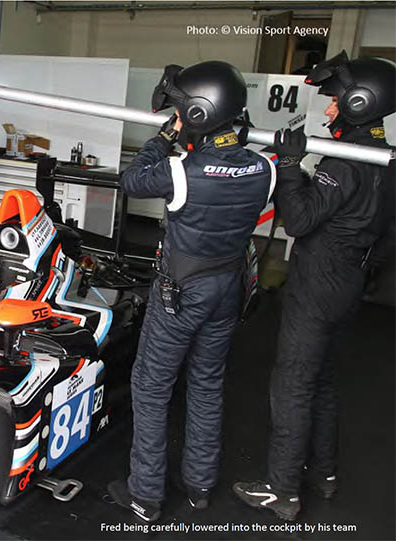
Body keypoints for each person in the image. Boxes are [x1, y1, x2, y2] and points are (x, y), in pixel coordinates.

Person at [106, 61, 275, 522]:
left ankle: (145, 496)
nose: (177, 115)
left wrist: (164, 137)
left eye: (181, 110)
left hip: (180, 292)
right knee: (206, 383)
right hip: (227, 289)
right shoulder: (264, 168)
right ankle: (200, 486)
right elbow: (231, 159)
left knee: (151, 386)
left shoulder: (180, 170)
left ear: (198, 114)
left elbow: (132, 180)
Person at [234, 52, 395, 521]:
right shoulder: (382, 157)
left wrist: (288, 165)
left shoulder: (344, 163)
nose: (328, 109)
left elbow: (302, 219)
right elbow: (378, 232)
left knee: (293, 385)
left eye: (336, 100)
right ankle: (324, 474)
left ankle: (281, 491)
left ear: (361, 102)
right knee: (322, 381)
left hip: (320, 283)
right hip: (350, 281)